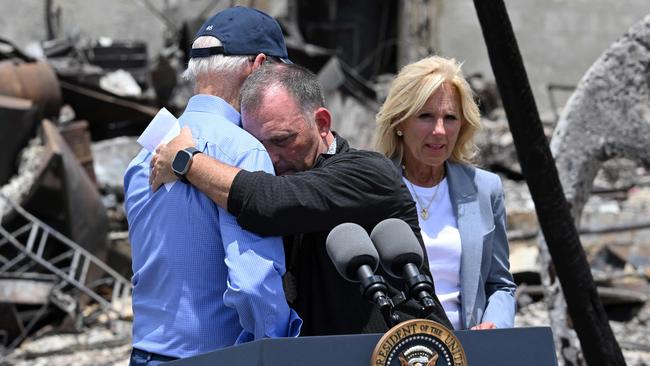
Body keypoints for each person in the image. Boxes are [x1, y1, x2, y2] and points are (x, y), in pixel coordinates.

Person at [149, 63, 453, 336]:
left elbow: (271, 203)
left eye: (283, 140)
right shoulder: (289, 176)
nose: (272, 157)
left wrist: (187, 160)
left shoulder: (369, 174)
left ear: (321, 123)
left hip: (410, 351)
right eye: (258, 145)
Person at [124, 7, 301, 365]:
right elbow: (253, 284)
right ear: (259, 66)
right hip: (216, 357)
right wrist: (280, 343)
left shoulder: (143, 157)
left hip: (144, 353)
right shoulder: (244, 151)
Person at [375, 55, 516, 330]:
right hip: (395, 349)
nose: (440, 131)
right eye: (426, 116)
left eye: (450, 117)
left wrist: (495, 324)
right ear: (399, 122)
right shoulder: (373, 188)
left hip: (469, 350)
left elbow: (500, 284)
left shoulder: (485, 190)